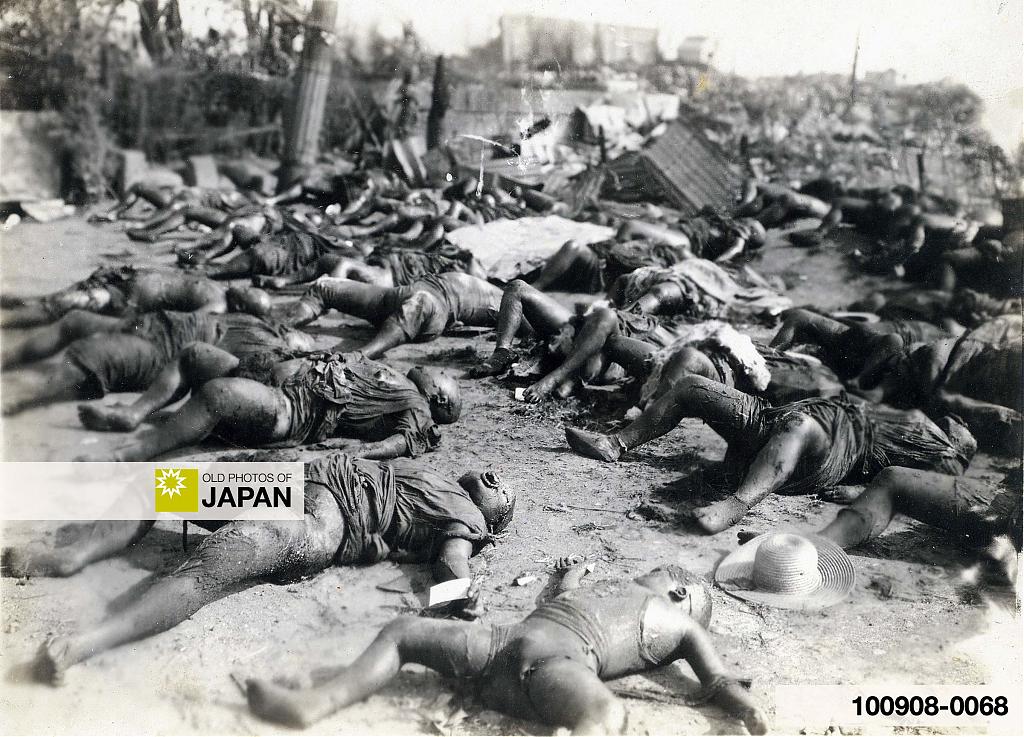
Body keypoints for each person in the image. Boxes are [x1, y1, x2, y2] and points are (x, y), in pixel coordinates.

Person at [3, 453, 515, 684]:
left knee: (207, 571)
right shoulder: (431, 473)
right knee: (156, 485)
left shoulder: (466, 519)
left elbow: (452, 563)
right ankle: (73, 556)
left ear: (491, 519)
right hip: (289, 485)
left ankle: (80, 646)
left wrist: (456, 604)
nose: (496, 477)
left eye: (504, 491)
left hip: (323, 517)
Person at [243, 561, 768, 735]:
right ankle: (313, 704)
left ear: (679, 594)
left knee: (605, 710)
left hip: (539, 661)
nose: (644, 573)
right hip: (511, 647)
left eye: (659, 573)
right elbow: (563, 597)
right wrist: (571, 573)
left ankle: (320, 701)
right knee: (405, 628)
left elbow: (717, 678)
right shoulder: (608, 592)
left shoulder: (680, 623)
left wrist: (746, 708)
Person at [565, 376, 976, 534]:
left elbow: (909, 491)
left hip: (828, 450)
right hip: (786, 419)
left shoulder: (944, 452)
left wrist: (856, 490)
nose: (959, 424)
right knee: (691, 386)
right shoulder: (918, 415)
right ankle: (615, 444)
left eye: (964, 430)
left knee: (799, 428)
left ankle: (736, 505)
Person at [73, 351, 461, 462]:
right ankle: (132, 414)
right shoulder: (394, 376)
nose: (432, 368)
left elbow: (405, 440)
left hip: (291, 410)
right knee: (194, 356)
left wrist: (361, 453)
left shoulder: (416, 404)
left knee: (219, 394)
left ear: (439, 396)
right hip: (277, 377)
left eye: (440, 373)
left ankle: (130, 454)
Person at [1, 309, 314, 416]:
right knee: (76, 320)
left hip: (163, 353)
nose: (296, 336)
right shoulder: (256, 321)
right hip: (155, 324)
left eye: (301, 343)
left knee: (90, 354)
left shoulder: (268, 353)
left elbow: (234, 380)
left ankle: (15, 399)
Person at [815, 467, 1021, 585]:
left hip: (1012, 514)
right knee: (893, 479)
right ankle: (812, 549)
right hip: (1009, 498)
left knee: (893, 481)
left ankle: (811, 552)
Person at [269, 272, 503, 359]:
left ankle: (359, 356)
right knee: (324, 286)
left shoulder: (506, 299)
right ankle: (273, 328)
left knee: (420, 302)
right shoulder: (496, 290)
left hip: (432, 307)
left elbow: (528, 321)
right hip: (401, 295)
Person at [0, 267, 228, 329]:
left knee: (69, 303)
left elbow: (187, 324)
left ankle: (7, 321)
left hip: (133, 300)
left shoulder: (218, 304)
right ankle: (22, 304)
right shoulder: (218, 287)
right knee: (59, 298)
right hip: (130, 279)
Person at [252, 242, 486, 291]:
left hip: (390, 278)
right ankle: (286, 281)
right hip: (384, 265)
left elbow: (479, 279)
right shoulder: (441, 255)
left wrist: (469, 257)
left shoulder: (458, 276)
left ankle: (320, 289)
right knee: (328, 260)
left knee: (343, 264)